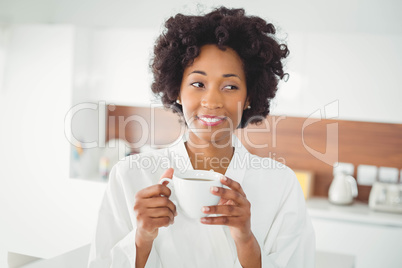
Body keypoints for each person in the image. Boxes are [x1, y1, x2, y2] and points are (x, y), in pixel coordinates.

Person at [88, 6, 315, 268]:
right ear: (176, 90)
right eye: (198, 84)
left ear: (249, 96)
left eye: (230, 86)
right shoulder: (130, 176)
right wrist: (141, 240)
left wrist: (245, 241)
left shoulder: (280, 183)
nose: (212, 101)